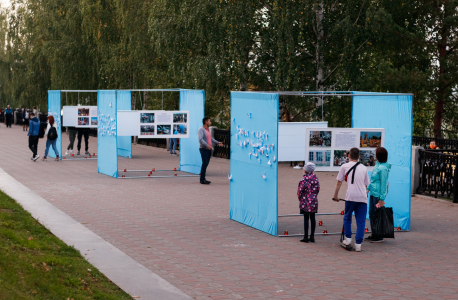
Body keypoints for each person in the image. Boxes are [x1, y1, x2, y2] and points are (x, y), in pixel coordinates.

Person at [333, 147, 370, 252]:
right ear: (359, 157)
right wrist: (365, 193)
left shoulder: (344, 166)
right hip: (362, 198)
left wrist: (335, 195)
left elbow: (339, 182)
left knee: (347, 217)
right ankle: (358, 244)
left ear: (349, 156)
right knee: (361, 221)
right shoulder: (364, 168)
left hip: (351, 197)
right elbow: (367, 184)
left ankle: (348, 239)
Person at [365, 147, 391, 243]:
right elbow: (373, 180)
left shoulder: (383, 168)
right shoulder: (377, 165)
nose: (374, 154)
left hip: (378, 196)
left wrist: (382, 198)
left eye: (376, 152)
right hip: (373, 193)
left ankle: (379, 236)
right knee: (372, 214)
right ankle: (374, 233)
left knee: (377, 214)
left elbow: (384, 184)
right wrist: (368, 189)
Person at [297, 162, 320, 243]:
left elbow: (300, 191)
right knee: (313, 218)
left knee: (306, 218)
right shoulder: (316, 179)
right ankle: (312, 236)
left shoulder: (304, 180)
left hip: (305, 201)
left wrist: (300, 199)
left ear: (305, 170)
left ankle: (306, 236)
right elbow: (318, 190)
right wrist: (313, 196)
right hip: (313, 201)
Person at [198, 117, 223, 184]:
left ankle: (203, 179)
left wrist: (218, 142)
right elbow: (201, 139)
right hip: (204, 149)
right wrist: (207, 146)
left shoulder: (207, 129)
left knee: (206, 164)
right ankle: (202, 179)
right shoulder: (201, 129)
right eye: (209, 121)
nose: (210, 122)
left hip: (208, 149)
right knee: (204, 164)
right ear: (206, 122)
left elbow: (210, 138)